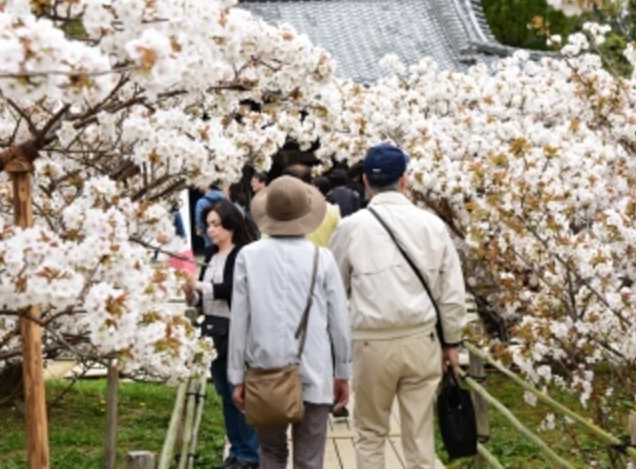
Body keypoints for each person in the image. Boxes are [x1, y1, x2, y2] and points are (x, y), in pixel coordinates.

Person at [329, 143, 467, 469]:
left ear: (364, 180)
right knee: (419, 436)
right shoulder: (432, 225)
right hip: (422, 340)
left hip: (371, 341)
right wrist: (452, 342)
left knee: (370, 433)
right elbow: (451, 293)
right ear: (405, 180)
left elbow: (335, 292)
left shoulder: (351, 228)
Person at [228, 176, 352, 469]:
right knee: (310, 460)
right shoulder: (322, 259)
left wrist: (236, 376)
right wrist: (343, 371)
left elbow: (239, 322)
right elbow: (339, 322)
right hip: (315, 370)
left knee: (270, 454)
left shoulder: (248, 256)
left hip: (264, 372)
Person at [183, 199, 259, 469]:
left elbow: (234, 291)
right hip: (214, 330)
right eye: (208, 225)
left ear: (231, 224)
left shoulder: (241, 254)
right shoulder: (212, 257)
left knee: (240, 393)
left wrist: (202, 286)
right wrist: (190, 292)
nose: (211, 230)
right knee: (226, 394)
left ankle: (250, 453)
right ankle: (237, 450)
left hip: (236, 330)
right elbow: (202, 301)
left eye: (216, 224)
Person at [283, 163, 340, 247]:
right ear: (311, 183)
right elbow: (338, 243)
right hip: (321, 259)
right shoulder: (332, 211)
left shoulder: (274, 213)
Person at [195, 183, 226, 280]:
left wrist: (200, 231)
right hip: (225, 238)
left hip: (210, 239)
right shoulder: (226, 199)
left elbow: (200, 223)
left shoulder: (201, 202)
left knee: (208, 262)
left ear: (207, 185)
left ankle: (202, 285)